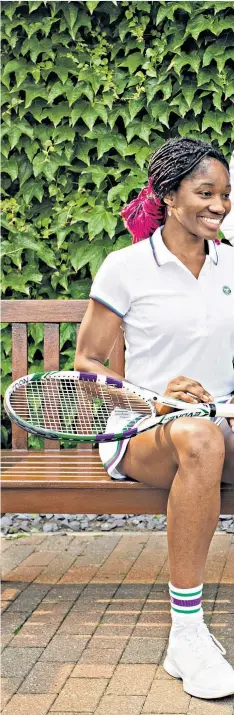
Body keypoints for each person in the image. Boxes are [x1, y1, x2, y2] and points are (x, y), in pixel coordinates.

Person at [74, 137, 234, 700]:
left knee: (209, 432)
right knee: (199, 437)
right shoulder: (126, 268)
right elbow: (88, 363)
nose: (219, 205)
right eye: (205, 193)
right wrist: (154, 400)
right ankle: (186, 634)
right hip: (144, 429)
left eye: (225, 194)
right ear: (168, 195)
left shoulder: (231, 264)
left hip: (219, 419)